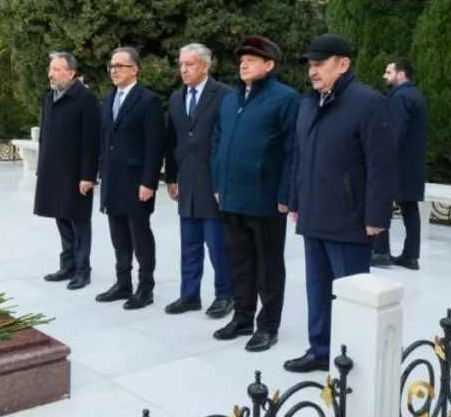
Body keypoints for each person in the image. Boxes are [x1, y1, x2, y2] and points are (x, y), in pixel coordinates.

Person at [284, 34, 398, 373]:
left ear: (343, 64)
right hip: (313, 212)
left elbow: (382, 163)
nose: (313, 70)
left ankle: (354, 358)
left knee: (352, 292)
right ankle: (320, 349)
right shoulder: (309, 102)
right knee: (317, 289)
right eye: (310, 64)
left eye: (320, 64)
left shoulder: (368, 102)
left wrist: (377, 216)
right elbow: (299, 156)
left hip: (349, 217)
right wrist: (295, 200)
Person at [210, 36, 299, 352]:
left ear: (269, 64)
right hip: (232, 196)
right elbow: (217, 143)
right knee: (239, 262)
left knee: (268, 266)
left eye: (251, 59)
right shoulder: (230, 100)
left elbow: (293, 151)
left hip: (265, 199)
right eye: (242, 59)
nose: (244, 64)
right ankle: (242, 317)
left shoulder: (285, 99)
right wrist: (218, 184)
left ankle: (268, 326)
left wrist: (286, 193)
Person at [164, 43, 233, 319]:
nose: (183, 69)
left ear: (205, 66)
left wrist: (222, 183)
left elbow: (227, 141)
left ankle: (225, 295)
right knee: (189, 245)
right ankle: (189, 295)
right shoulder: (176, 98)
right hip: (187, 181)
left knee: (217, 245)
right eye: (181, 64)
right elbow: (172, 139)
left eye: (189, 64)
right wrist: (171, 176)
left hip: (212, 183)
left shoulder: (225, 95)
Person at [96, 47, 165, 310]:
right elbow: (105, 140)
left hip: (136, 181)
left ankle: (145, 287)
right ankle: (122, 282)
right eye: (111, 66)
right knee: (119, 236)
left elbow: (154, 144)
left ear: (134, 70)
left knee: (139, 235)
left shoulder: (147, 100)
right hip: (113, 179)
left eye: (119, 66)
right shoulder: (107, 99)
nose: (114, 71)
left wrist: (149, 181)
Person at [35, 52, 102, 290]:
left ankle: (83, 270)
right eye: (50, 69)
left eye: (56, 69)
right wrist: (41, 167)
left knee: (79, 221)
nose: (51, 74)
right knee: (61, 218)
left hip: (76, 174)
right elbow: (44, 136)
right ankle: (68, 265)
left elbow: (92, 140)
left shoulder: (86, 99)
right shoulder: (49, 99)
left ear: (71, 73)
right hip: (53, 170)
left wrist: (88, 175)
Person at [371, 56, 428, 270]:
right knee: (410, 209)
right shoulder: (416, 95)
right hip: (413, 164)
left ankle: (381, 252)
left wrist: (381, 157)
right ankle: (411, 256)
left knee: (382, 203)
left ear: (401, 74)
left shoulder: (400, 97)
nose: (384, 76)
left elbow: (393, 132)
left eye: (388, 72)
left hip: (396, 164)